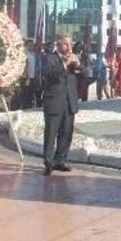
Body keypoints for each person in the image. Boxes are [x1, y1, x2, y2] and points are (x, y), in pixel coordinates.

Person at [41, 35, 81, 176]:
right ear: (59, 44)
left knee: (66, 133)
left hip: (69, 102)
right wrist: (64, 64)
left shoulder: (73, 58)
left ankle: (60, 160)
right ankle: (48, 162)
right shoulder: (49, 57)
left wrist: (78, 65)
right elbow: (48, 73)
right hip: (54, 101)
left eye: (70, 43)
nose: (69, 47)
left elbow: (83, 75)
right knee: (51, 133)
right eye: (66, 44)